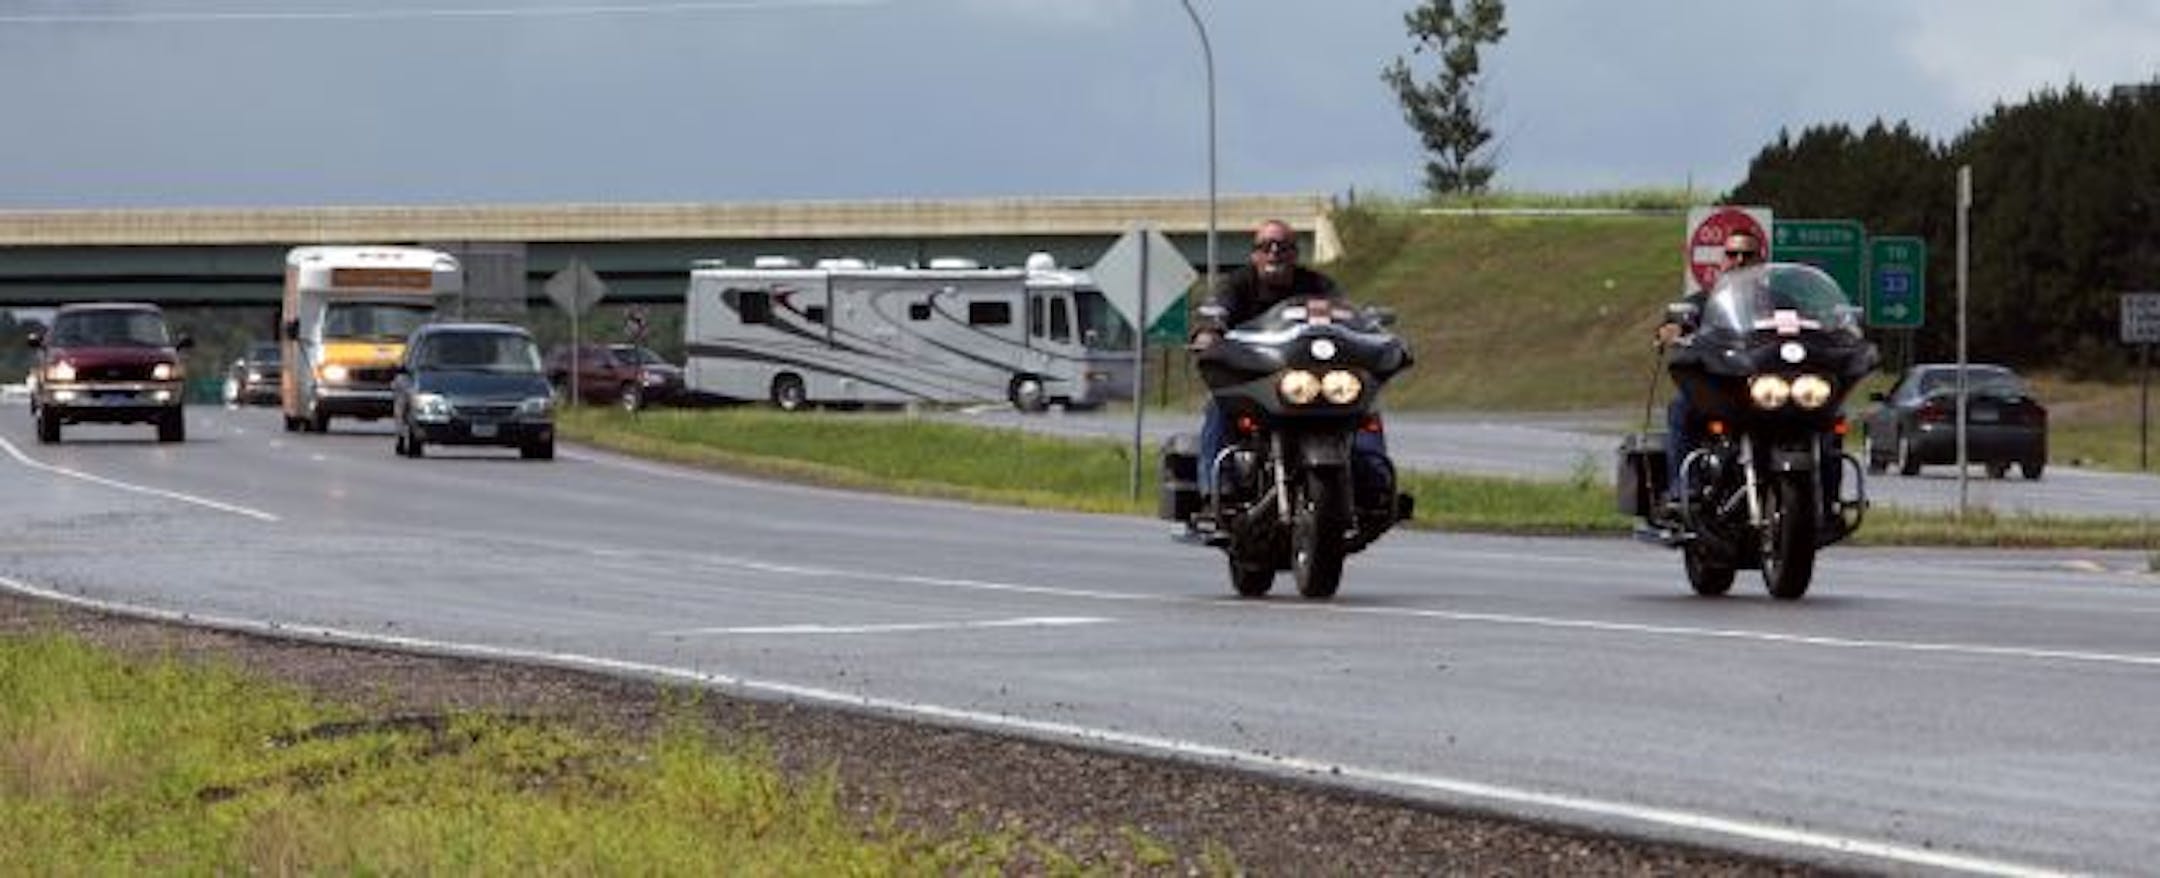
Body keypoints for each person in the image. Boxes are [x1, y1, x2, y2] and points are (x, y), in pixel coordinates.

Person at [1189, 220, 1344, 497]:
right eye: (1266, 246)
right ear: (1254, 255)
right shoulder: (1237, 284)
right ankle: (1215, 489)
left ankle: (1373, 479)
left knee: (1362, 410)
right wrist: (1208, 332)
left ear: (1295, 254)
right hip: (1254, 382)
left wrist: (1367, 331)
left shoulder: (1317, 285)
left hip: (1309, 383)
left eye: (1283, 247)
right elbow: (1215, 311)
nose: (1274, 253)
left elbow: (1345, 315)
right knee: (1219, 405)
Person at [1657, 229, 1763, 510]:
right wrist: (1673, 328)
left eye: (1747, 254)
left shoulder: (1778, 300)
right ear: (1723, 259)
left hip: (1767, 388)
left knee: (1825, 420)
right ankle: (1684, 489)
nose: (1739, 260)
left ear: (1760, 259)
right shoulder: (1706, 300)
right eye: (1732, 254)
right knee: (1681, 408)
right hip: (1720, 388)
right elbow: (1678, 320)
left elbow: (1807, 322)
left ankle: (1821, 497)